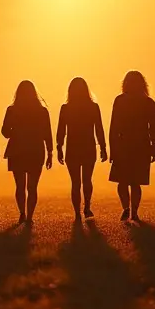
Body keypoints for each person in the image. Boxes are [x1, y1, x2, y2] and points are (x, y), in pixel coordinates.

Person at [108, 70, 155, 222]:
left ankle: (127, 209)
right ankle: (133, 211)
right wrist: (154, 147)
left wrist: (113, 147)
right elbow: (153, 129)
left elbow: (113, 127)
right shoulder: (148, 102)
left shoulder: (120, 100)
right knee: (135, 182)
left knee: (123, 181)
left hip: (124, 144)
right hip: (141, 145)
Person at [2, 80, 53, 224]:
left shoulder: (11, 110)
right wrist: (50, 152)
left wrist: (16, 130)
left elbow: (5, 132)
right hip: (36, 150)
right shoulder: (42, 111)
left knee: (20, 186)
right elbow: (47, 133)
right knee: (32, 187)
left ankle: (22, 213)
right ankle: (30, 216)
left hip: (17, 150)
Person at [56, 77, 107, 221]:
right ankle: (87, 207)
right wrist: (103, 147)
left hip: (72, 148)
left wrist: (59, 147)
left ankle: (77, 212)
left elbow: (61, 130)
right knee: (87, 179)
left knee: (75, 182)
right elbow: (99, 129)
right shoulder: (93, 107)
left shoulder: (66, 108)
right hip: (88, 146)